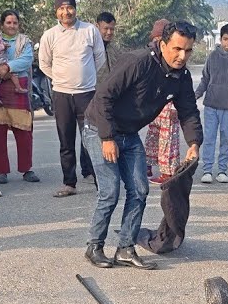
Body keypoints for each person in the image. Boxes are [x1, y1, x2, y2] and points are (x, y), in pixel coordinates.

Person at [83, 21, 201, 270]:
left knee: (139, 190)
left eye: (188, 51)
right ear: (162, 43)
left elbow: (189, 111)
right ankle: (94, 246)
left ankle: (125, 248)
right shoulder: (137, 62)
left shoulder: (182, 77)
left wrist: (193, 143)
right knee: (110, 191)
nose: (182, 56)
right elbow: (104, 96)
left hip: (129, 133)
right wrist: (106, 138)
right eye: (177, 49)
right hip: (100, 129)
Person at [39, 0, 104, 197]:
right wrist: (61, 80)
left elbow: (99, 58)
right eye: (61, 8)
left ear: (75, 9)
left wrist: (86, 77)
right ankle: (69, 183)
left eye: (69, 7)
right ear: (56, 12)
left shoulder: (90, 30)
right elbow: (44, 64)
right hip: (62, 95)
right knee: (66, 141)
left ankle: (100, 181)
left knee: (92, 139)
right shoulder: (50, 35)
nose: (66, 12)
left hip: (87, 94)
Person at [0, 10, 39, 185]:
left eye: (15, 23)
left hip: (17, 86)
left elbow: (26, 60)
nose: (11, 26)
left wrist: (7, 67)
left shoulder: (24, 41)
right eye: (8, 22)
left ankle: (26, 168)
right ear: (1, 24)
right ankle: (1, 171)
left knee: (24, 131)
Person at [194, 22, 228, 185]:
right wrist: (195, 96)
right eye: (225, 39)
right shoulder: (212, 56)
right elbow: (205, 79)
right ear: (220, 39)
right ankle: (207, 170)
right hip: (211, 105)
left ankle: (222, 170)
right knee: (209, 137)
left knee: (226, 139)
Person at [143, 20, 182, 183]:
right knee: (153, 135)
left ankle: (168, 171)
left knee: (168, 139)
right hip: (154, 104)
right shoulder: (149, 56)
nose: (157, 43)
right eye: (155, 39)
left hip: (169, 104)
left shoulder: (176, 58)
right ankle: (148, 165)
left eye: (160, 39)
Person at [94, 12, 124, 83]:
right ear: (97, 26)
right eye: (106, 28)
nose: (109, 32)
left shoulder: (115, 49)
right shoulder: (90, 49)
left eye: (112, 29)